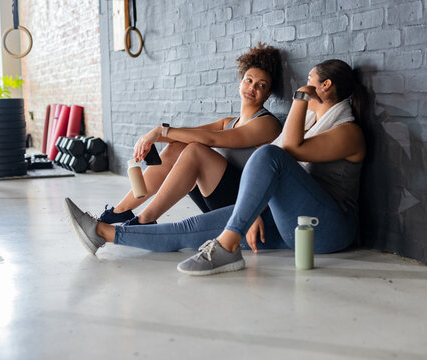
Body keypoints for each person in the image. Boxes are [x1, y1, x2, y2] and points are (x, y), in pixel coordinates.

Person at [65, 58, 367, 276]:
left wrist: (302, 96)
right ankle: (103, 232)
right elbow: (203, 136)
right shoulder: (314, 123)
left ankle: (228, 245)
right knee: (190, 231)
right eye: (248, 80)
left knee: (265, 155)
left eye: (311, 80)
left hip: (329, 229)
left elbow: (286, 151)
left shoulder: (348, 131)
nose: (303, 86)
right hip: (293, 221)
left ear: (324, 86)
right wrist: (161, 132)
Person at [89, 43, 283, 226]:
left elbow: (211, 139)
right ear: (239, 84)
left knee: (196, 151)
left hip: (249, 208)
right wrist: (149, 138)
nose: (252, 88)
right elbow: (191, 134)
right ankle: (120, 210)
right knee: (179, 145)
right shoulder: (228, 122)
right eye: (249, 80)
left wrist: (160, 131)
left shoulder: (266, 123)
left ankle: (145, 220)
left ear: (267, 95)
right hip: (222, 199)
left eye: (261, 85)